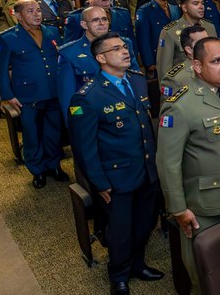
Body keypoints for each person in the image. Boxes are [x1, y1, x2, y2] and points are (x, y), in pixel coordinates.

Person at [156, 37, 220, 292]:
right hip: (207, 205)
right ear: (197, 66)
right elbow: (167, 162)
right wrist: (179, 209)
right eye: (216, 61)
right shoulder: (180, 106)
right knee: (208, 275)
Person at [68, 32, 162, 295]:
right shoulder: (87, 96)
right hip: (116, 178)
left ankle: (138, 264)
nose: (125, 51)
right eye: (116, 49)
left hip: (146, 170)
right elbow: (84, 148)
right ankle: (119, 274)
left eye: (124, 47)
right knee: (120, 231)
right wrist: (99, 183)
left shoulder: (137, 81)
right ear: (100, 58)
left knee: (145, 222)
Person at [0, 0, 66, 188]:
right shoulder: (7, 38)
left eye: (38, 10)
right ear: (18, 15)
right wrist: (6, 95)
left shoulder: (52, 31)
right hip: (27, 96)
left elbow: (60, 59)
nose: (37, 14)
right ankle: (38, 170)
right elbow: (0, 70)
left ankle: (54, 165)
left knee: (54, 132)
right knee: (32, 134)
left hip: (52, 91)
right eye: (31, 11)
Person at [57, 6, 139, 119]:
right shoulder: (69, 53)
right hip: (93, 117)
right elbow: (68, 97)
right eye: (95, 20)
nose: (102, 23)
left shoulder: (124, 44)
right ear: (84, 24)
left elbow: (136, 80)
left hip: (126, 112)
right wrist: (76, 124)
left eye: (104, 19)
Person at [155, 0, 217, 78]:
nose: (201, 7)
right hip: (185, 84)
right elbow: (164, 69)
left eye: (202, 3)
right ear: (184, 7)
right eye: (196, 4)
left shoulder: (210, 27)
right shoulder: (170, 32)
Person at [135, 0, 182, 77]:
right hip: (157, 56)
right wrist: (149, 62)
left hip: (176, 55)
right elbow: (143, 38)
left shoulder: (174, 8)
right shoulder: (145, 10)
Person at [160, 25, 210, 100]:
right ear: (189, 50)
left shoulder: (218, 67)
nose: (209, 46)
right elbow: (171, 110)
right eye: (202, 44)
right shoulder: (175, 79)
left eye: (209, 41)